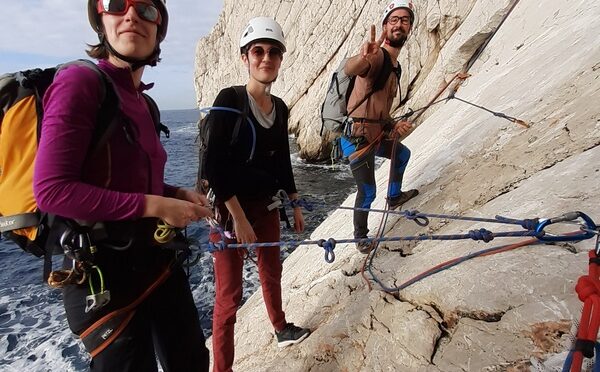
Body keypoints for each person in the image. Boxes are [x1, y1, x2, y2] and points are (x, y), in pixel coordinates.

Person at [32, 0, 211, 370]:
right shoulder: (80, 82)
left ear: (159, 27)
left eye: (146, 9)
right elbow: (52, 190)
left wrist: (174, 193)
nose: (131, 15)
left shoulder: (143, 103)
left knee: (192, 360)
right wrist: (157, 206)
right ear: (101, 19)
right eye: (116, 4)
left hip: (156, 263)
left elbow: (131, 180)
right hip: (103, 278)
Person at [204, 16, 311, 372]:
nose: (266, 58)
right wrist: (237, 218)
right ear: (245, 57)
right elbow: (215, 167)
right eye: (258, 51)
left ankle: (281, 328)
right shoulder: (230, 100)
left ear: (281, 59)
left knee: (271, 271)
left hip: (265, 206)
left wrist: (294, 205)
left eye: (274, 52)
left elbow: (282, 161)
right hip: (228, 211)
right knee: (229, 296)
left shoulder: (279, 108)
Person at [342, 0, 420, 253]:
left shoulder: (395, 66)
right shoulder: (377, 58)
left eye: (405, 20)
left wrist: (393, 125)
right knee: (367, 190)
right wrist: (364, 55)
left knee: (402, 153)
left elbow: (380, 108)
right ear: (385, 26)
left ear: (409, 28)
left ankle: (394, 196)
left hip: (374, 132)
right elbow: (351, 68)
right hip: (355, 135)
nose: (399, 24)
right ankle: (360, 237)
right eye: (394, 20)